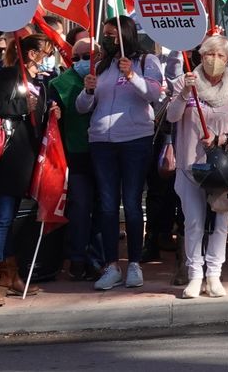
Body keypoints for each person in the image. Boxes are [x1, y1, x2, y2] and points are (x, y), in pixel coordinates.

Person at [76, 16, 164, 291]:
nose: (107, 40)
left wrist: (132, 76)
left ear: (125, 36)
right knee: (107, 205)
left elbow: (155, 94)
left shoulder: (146, 60)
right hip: (102, 141)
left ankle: (135, 263)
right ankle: (111, 265)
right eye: (105, 35)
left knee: (133, 203)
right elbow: (83, 107)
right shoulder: (100, 65)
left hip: (135, 139)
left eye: (112, 35)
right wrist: (88, 92)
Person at [164, 34, 228, 299]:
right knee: (193, 222)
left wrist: (222, 138)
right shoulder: (185, 81)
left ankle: (214, 273)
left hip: (222, 169)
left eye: (220, 56)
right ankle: (194, 274)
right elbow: (171, 116)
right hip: (190, 165)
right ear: (200, 57)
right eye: (208, 55)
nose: (214, 60)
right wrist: (182, 94)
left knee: (221, 221)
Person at [0, 33, 59, 306]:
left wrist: (51, 113)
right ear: (33, 54)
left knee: (11, 220)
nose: (49, 57)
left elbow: (37, 121)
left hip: (27, 161)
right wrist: (21, 106)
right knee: (0, 219)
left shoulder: (41, 84)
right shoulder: (8, 76)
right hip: (5, 158)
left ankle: (11, 274)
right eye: (46, 51)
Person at [49, 36, 102, 281]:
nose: (80, 62)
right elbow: (52, 121)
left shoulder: (110, 80)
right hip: (76, 151)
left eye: (87, 57)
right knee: (80, 207)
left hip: (106, 150)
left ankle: (98, 258)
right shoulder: (59, 83)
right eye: (76, 58)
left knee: (104, 208)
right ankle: (78, 259)